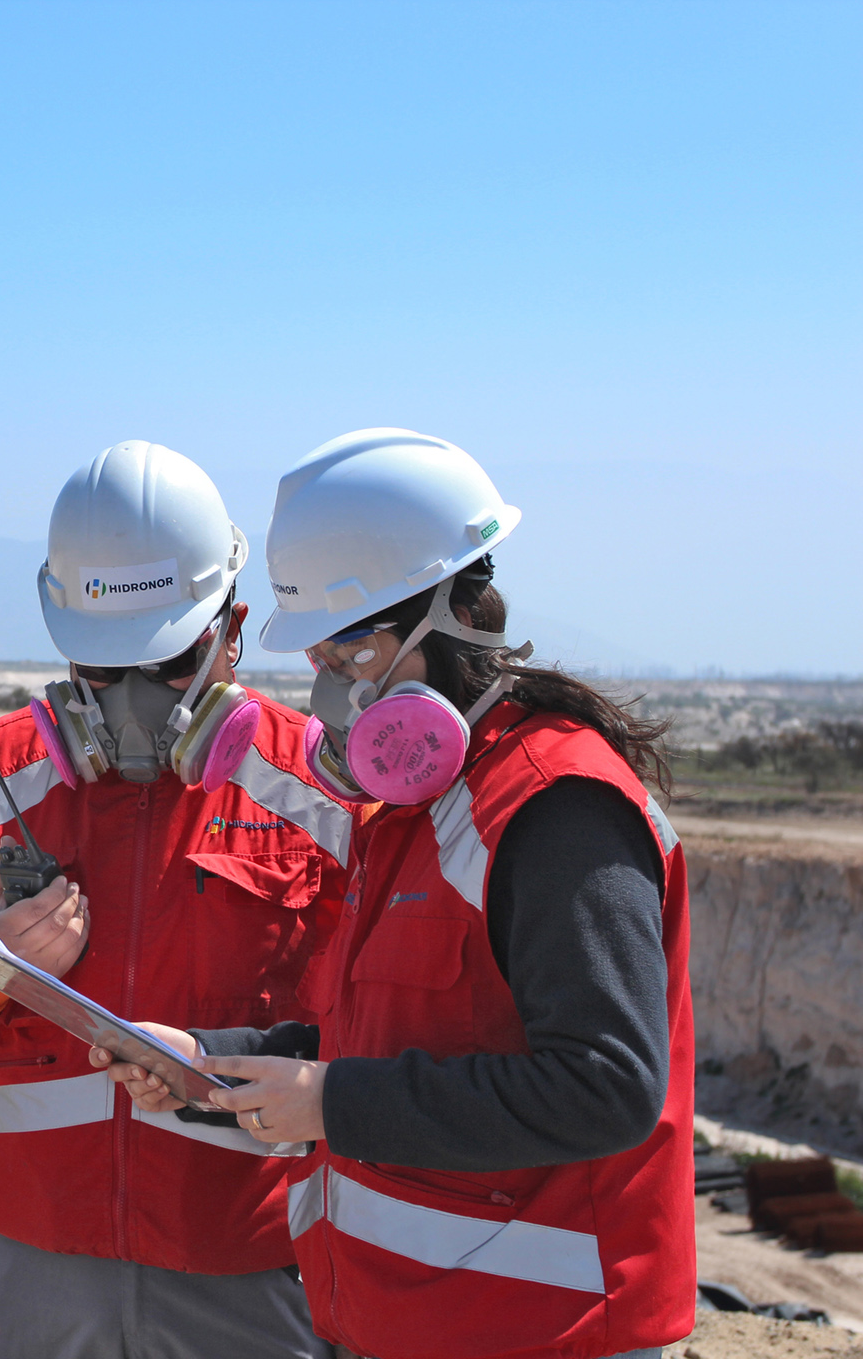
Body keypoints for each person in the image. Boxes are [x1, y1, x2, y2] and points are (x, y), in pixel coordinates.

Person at [97, 428, 694, 1359]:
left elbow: (607, 1087)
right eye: (319, 659)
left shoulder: (556, 811)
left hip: (541, 1331)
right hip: (410, 1323)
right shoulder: (421, 808)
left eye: (349, 652)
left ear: (448, 619)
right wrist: (212, 1061)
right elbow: (380, 1043)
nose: (328, 688)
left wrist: (333, 1104)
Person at [0, 441, 357, 1359]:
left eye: (166, 664)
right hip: (29, 1256)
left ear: (232, 629)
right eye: (101, 670)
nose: (131, 702)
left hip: (249, 1257)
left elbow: (378, 1025)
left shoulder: (323, 795)